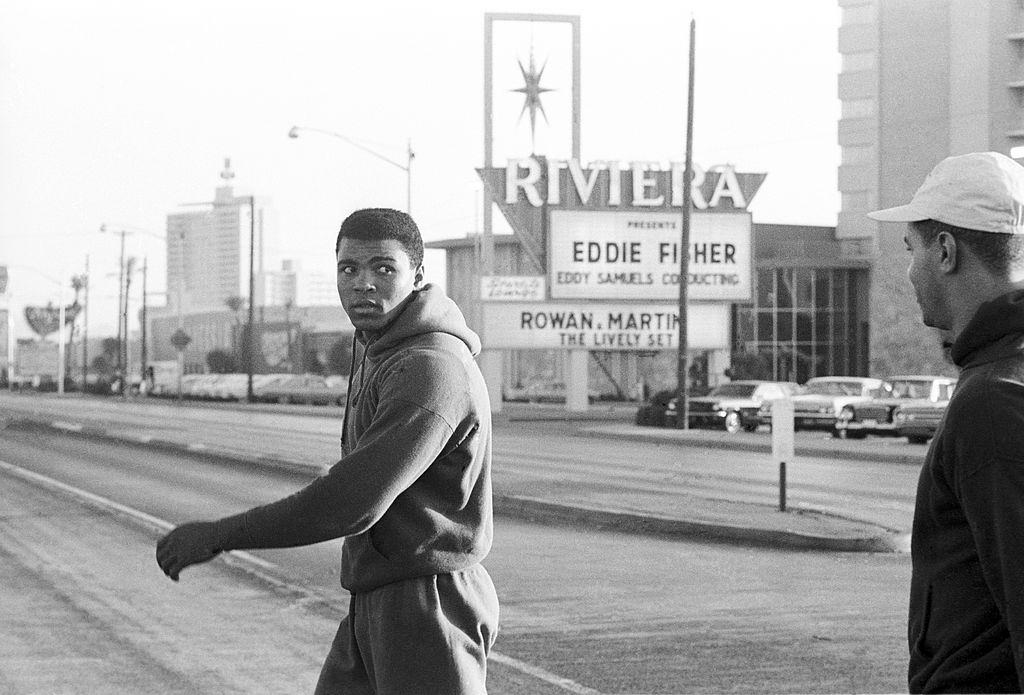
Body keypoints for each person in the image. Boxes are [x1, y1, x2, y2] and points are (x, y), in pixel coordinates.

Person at [156, 208, 499, 694]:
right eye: (348, 269)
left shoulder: (430, 368)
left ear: (417, 275)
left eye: (384, 268)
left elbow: (351, 502)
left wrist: (220, 534)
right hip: (377, 595)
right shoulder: (383, 350)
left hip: (426, 601)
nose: (363, 283)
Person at [868, 151, 1024, 693]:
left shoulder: (993, 401)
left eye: (911, 250)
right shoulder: (1004, 372)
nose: (909, 272)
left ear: (945, 250)